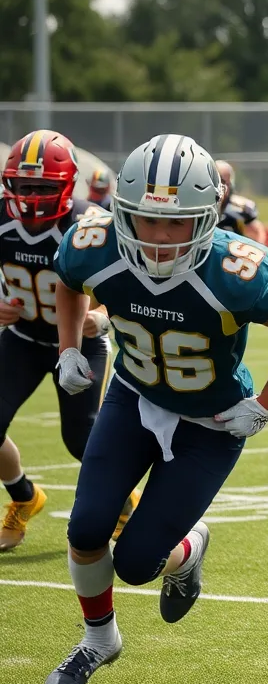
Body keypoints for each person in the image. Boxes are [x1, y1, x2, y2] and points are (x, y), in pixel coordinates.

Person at [43, 133, 268, 684]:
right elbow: (69, 285)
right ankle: (98, 641)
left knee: (139, 562)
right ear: (124, 212)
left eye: (178, 222)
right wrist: (68, 348)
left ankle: (190, 546)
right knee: (86, 527)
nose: (162, 238)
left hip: (211, 424)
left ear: (209, 216)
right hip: (133, 396)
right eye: (147, 220)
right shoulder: (94, 242)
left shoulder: (234, 270)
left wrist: (265, 403)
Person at [0, 130, 137, 552]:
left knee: (81, 439)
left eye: (43, 186)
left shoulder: (90, 225)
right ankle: (24, 498)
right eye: (24, 186)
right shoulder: (2, 221)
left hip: (79, 343)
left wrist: (102, 317)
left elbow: (131, 286)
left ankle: (125, 502)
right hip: (22, 338)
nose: (32, 196)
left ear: (66, 185)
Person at [215, 160, 267, 244]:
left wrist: (260, 248)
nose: (221, 187)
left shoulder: (242, 208)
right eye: (218, 182)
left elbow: (257, 231)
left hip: (233, 253)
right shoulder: (201, 205)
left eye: (225, 182)